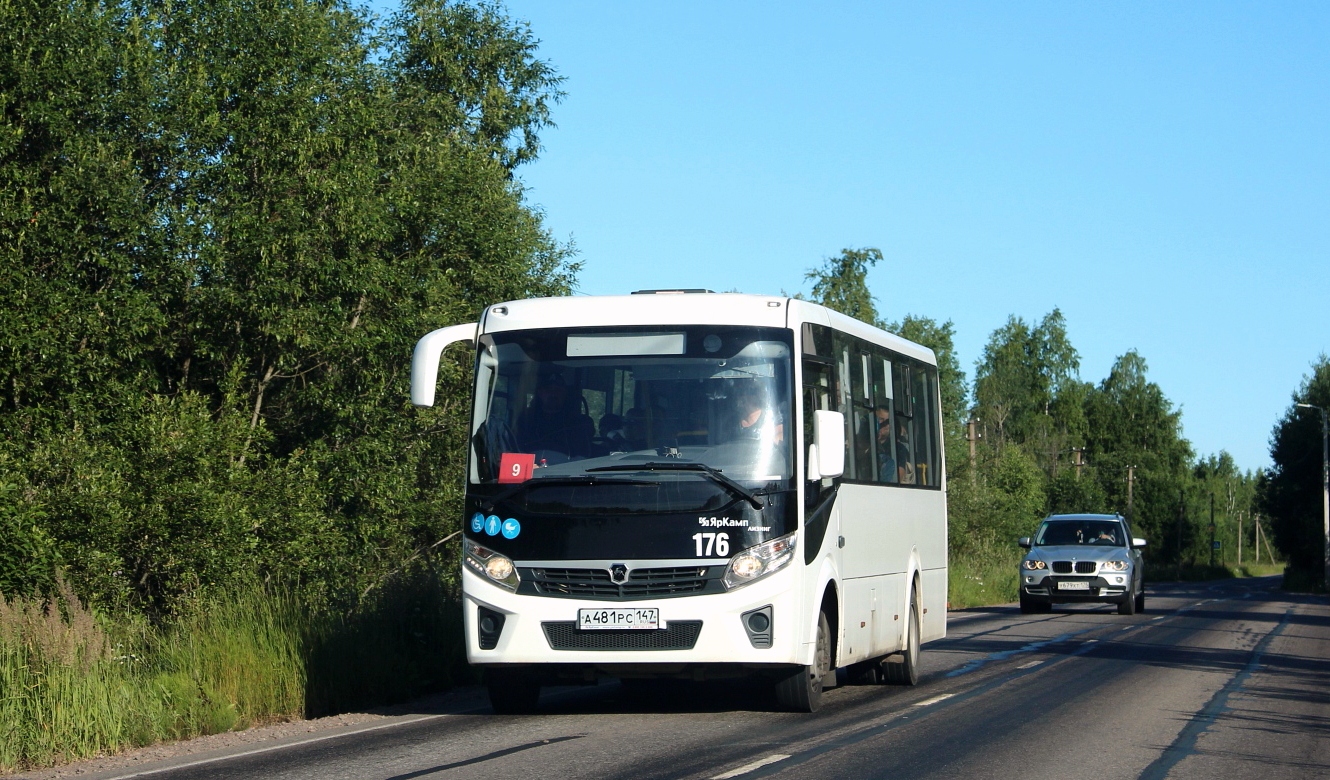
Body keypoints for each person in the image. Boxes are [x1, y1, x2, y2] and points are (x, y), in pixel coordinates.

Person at [516, 371, 594, 459]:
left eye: (558, 390)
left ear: (564, 393)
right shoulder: (526, 421)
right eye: (548, 390)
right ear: (540, 393)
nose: (553, 394)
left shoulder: (577, 423)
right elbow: (516, 450)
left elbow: (582, 456)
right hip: (531, 470)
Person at [875, 405, 898, 483]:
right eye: (879, 419)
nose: (881, 423)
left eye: (886, 421)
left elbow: (897, 478)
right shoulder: (867, 442)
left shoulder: (898, 448)